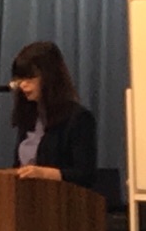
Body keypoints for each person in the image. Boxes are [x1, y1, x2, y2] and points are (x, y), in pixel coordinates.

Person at [9, 40, 97, 186]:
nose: (23, 84)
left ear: (49, 77)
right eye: (20, 78)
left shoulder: (78, 118)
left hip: (61, 197)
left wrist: (45, 174)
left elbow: (85, 174)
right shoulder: (29, 117)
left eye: (30, 77)